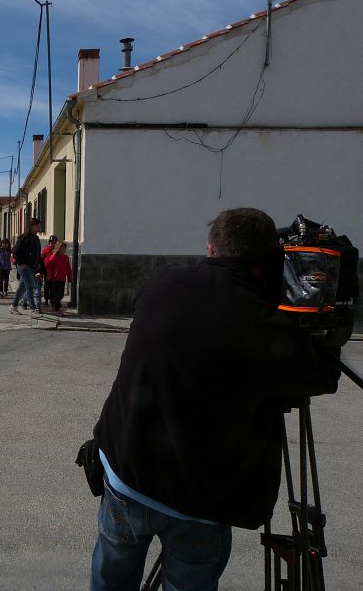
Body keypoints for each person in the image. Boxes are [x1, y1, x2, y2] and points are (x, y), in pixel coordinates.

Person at [88, 207, 341, 591]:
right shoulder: (265, 329)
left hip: (124, 474)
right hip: (197, 504)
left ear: (211, 248)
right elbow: (323, 375)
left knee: (111, 578)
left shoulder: (161, 282)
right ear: (270, 259)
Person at [10, 218, 42, 318]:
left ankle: (13, 307)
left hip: (32, 266)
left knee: (22, 287)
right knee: (30, 286)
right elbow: (15, 251)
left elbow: (38, 253)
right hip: (23, 267)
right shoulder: (23, 238)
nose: (39, 228)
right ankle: (33, 309)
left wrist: (38, 263)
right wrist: (21, 262)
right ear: (31, 227)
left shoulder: (36, 239)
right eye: (37, 226)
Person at [44, 241, 72, 316]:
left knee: (61, 295)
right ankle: (57, 309)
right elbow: (49, 267)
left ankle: (52, 302)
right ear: (58, 248)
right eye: (63, 248)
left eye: (65, 248)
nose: (64, 249)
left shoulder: (66, 258)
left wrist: (69, 277)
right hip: (54, 279)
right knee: (56, 295)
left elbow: (68, 268)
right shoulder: (54, 257)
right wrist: (49, 275)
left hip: (62, 279)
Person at [41, 235, 58, 307]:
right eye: (52, 243)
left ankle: (52, 300)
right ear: (49, 243)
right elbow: (42, 260)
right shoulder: (45, 250)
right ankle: (46, 300)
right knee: (46, 287)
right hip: (47, 272)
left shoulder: (57, 251)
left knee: (53, 287)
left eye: (54, 243)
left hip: (54, 273)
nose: (53, 244)